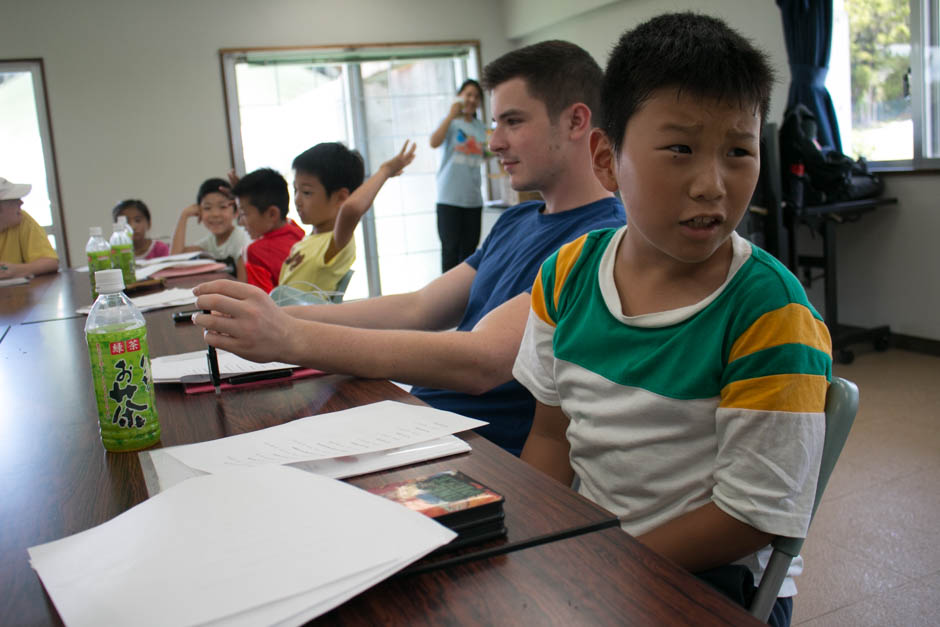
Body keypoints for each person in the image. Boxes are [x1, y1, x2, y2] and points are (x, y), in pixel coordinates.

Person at [511, 13, 831, 627]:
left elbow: (750, 516)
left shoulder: (770, 312)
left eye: (739, 151)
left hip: (715, 577)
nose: (713, 185)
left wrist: (596, 569)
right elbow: (552, 437)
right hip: (595, 553)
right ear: (607, 159)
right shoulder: (566, 275)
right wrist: (539, 546)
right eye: (680, 149)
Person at [193, 40, 626, 456]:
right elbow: (418, 308)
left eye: (513, 122)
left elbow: (480, 362)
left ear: (575, 122)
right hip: (425, 424)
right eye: (495, 124)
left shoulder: (601, 241)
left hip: (483, 453)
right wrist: (278, 315)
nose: (494, 142)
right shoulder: (515, 221)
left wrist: (289, 337)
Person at [278, 140, 415, 296]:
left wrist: (385, 170)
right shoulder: (308, 240)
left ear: (341, 197)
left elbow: (351, 209)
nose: (297, 199)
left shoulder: (335, 243)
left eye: (306, 192)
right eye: (295, 190)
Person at [429, 79, 487, 272]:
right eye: (468, 94)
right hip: (449, 198)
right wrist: (449, 116)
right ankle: (445, 301)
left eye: (476, 96)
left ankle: (465, 301)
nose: (472, 99)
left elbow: (483, 153)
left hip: (473, 199)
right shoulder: (451, 123)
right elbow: (434, 142)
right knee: (450, 251)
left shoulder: (481, 127)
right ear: (460, 96)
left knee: (469, 255)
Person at [232, 168, 304, 293]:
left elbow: (262, 303)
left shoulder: (255, 252)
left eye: (244, 213)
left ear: (272, 214)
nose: (240, 222)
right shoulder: (296, 230)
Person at [170, 177, 250, 261]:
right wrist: (184, 216)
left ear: (236, 211)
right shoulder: (209, 243)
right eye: (207, 208)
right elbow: (176, 257)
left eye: (222, 207)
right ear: (199, 212)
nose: (215, 214)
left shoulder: (242, 238)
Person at [0, 177, 58, 279]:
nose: (21, 203)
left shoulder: (22, 219)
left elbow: (51, 262)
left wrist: (16, 270)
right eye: (13, 200)